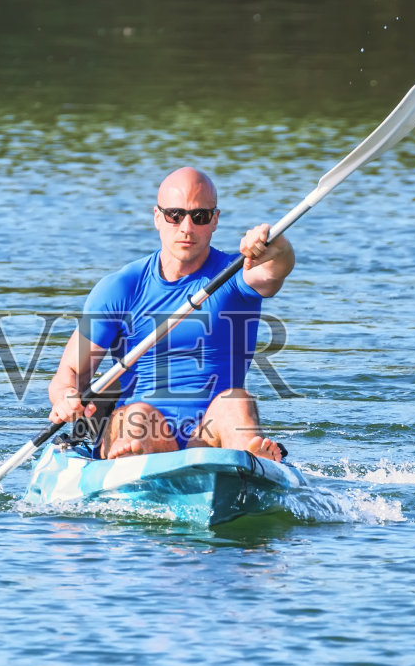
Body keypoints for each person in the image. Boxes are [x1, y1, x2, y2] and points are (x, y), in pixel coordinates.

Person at [46, 166, 294, 461]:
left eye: (199, 216)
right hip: (141, 431)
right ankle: (135, 463)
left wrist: (276, 246)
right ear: (157, 217)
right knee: (139, 416)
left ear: (214, 220)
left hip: (208, 436)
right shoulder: (120, 288)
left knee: (235, 401)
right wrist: (66, 398)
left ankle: (251, 459)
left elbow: (276, 269)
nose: (186, 227)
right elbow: (70, 373)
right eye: (175, 215)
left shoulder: (236, 275)